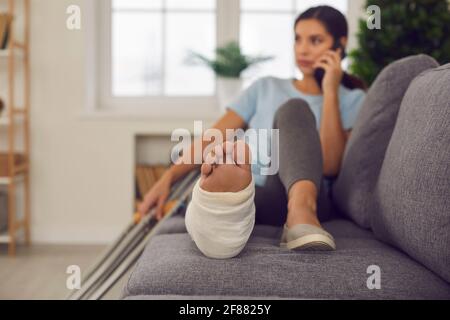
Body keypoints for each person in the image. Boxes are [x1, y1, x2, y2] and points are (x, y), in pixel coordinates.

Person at [138, 5, 367, 252]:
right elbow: (214, 137)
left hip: (312, 198)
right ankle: (224, 204)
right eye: (298, 39)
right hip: (255, 193)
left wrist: (330, 91)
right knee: (231, 167)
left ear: (339, 44)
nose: (303, 49)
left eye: (315, 40)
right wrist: (168, 178)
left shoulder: (352, 100)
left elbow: (331, 165)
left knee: (295, 109)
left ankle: (300, 212)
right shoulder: (264, 87)